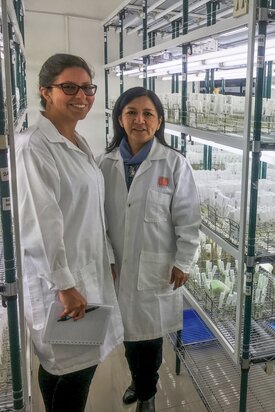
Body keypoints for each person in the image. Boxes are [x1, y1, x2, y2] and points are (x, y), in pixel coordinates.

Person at [16, 53, 124, 412]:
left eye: (88, 87)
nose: (82, 95)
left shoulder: (76, 141)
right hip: (61, 283)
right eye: (69, 87)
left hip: (84, 271)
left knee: (63, 366)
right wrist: (64, 285)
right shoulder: (34, 147)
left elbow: (90, 210)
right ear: (45, 91)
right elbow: (39, 225)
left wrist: (107, 255)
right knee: (75, 369)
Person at [99, 87, 201, 412]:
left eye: (148, 114)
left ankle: (148, 393)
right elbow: (96, 221)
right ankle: (138, 382)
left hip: (158, 268)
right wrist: (108, 257)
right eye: (131, 112)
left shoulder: (174, 164)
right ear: (120, 119)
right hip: (118, 267)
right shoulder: (104, 164)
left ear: (158, 122)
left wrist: (185, 261)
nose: (139, 120)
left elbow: (188, 219)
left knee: (152, 340)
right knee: (129, 337)